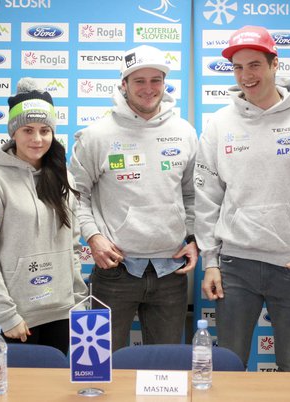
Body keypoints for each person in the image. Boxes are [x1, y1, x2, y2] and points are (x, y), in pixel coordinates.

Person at [195, 26, 290, 371]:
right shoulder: (219, 123)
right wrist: (211, 261)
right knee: (228, 366)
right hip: (235, 265)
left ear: (275, 64)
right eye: (238, 67)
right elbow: (207, 198)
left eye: (254, 65)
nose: (246, 75)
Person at [69, 45, 198, 351]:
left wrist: (194, 237)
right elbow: (76, 195)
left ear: (165, 84)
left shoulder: (184, 132)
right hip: (115, 271)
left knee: (166, 370)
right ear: (123, 84)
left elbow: (192, 194)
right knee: (99, 365)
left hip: (171, 272)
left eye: (156, 80)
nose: (148, 88)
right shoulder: (97, 135)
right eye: (139, 81)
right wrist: (94, 237)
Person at [0, 78, 87, 355]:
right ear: (14, 133)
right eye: (28, 130)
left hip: (61, 312)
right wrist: (5, 313)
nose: (37, 139)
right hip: (16, 318)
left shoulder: (63, 177)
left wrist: (78, 300)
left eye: (45, 130)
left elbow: (73, 246)